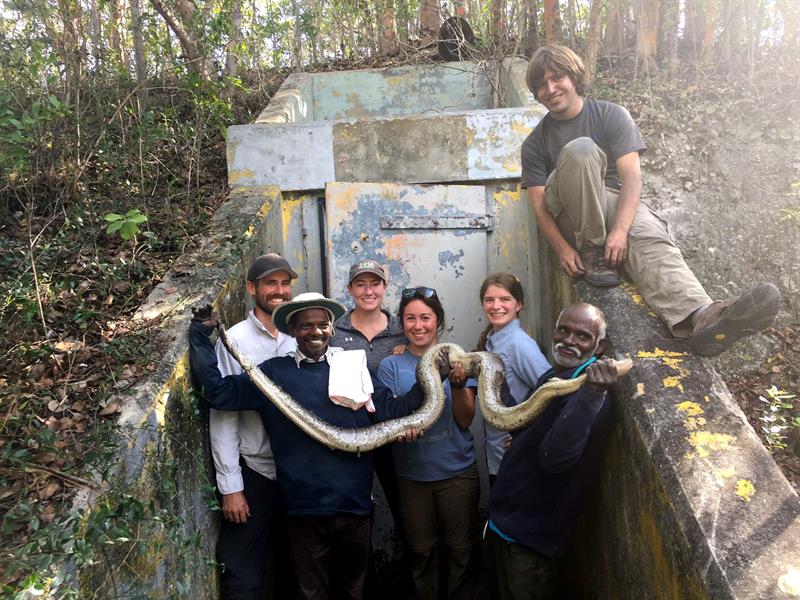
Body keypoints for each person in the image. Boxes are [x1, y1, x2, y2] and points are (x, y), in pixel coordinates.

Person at [521, 44, 780, 357]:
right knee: (581, 150)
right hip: (570, 212)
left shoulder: (612, 115)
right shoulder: (535, 143)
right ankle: (593, 249)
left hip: (611, 200)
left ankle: (702, 317)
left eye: (557, 78)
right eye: (542, 84)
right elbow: (539, 205)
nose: (550, 89)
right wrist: (563, 248)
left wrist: (620, 231)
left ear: (574, 77)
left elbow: (631, 178)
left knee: (647, 232)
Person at [189, 292, 450, 600]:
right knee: (311, 593)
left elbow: (392, 411)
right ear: (292, 330)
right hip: (303, 508)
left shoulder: (354, 365)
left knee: (355, 592)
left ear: (331, 328)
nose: (315, 331)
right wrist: (200, 335)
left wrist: (433, 377)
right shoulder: (272, 373)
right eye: (305, 325)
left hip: (354, 505)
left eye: (322, 325)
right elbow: (218, 393)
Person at [483, 302, 620, 599]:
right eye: (563, 330)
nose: (569, 341)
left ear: (599, 347)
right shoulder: (554, 377)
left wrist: (592, 393)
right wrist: (492, 380)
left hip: (532, 541)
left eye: (583, 336)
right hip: (506, 524)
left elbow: (554, 458)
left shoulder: (590, 396)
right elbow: (525, 423)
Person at [378, 286, 479, 599]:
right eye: (410, 318)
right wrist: (401, 430)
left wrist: (459, 385)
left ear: (439, 320)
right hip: (412, 477)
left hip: (457, 474)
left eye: (425, 317)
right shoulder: (391, 365)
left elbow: (465, 420)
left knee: (461, 553)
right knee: (421, 554)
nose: (418, 325)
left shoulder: (459, 358)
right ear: (401, 323)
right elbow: (391, 418)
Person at [210, 253, 297, 599]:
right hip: (255, 471)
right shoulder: (235, 340)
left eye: (285, 283)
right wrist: (231, 486)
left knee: (300, 565)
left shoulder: (301, 335)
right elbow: (224, 414)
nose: (279, 290)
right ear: (250, 288)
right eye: (270, 283)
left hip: (298, 470)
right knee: (242, 569)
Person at [330, 259, 407, 545]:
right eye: (360, 284)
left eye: (375, 283)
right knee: (355, 512)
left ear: (385, 287)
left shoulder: (403, 329)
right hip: (352, 434)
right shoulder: (334, 331)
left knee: (404, 506)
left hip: (395, 433)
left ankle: (408, 565)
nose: (368, 291)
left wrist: (409, 349)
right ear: (350, 289)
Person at [474, 273, 551, 484]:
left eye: (505, 299)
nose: (496, 306)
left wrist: (527, 434)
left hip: (518, 463)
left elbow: (552, 393)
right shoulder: (492, 341)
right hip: (498, 458)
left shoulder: (519, 344)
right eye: (489, 300)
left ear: (519, 304)